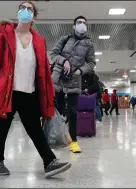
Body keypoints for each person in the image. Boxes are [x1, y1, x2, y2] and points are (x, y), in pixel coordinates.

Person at [0, 1, 71, 178]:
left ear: (34, 17)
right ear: (18, 12)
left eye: (29, 9)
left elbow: (43, 71)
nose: (25, 11)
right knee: (1, 129)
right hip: (7, 92)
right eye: (22, 8)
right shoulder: (4, 37)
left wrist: (48, 96)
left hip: (30, 93)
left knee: (35, 129)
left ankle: (49, 162)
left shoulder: (38, 41)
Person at [50, 15, 96, 153]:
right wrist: (64, 61)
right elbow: (53, 54)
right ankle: (52, 137)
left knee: (72, 112)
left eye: (83, 23)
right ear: (74, 26)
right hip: (58, 78)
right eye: (78, 22)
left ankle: (74, 141)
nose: (81, 24)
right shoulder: (65, 39)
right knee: (54, 111)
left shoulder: (89, 44)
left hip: (75, 79)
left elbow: (92, 62)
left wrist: (80, 71)